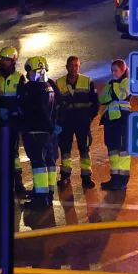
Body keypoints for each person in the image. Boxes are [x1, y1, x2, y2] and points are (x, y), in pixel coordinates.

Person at [55, 56, 99, 190]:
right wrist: (59, 120)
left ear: (79, 67)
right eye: (71, 65)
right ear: (66, 67)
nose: (74, 68)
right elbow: (55, 104)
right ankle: (65, 176)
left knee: (84, 149)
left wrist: (88, 118)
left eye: (76, 66)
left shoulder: (87, 81)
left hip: (82, 123)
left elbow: (95, 103)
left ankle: (86, 177)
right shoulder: (59, 83)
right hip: (66, 123)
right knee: (65, 150)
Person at [19, 55, 57, 205]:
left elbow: (31, 109)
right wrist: (51, 126)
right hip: (48, 132)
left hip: (35, 131)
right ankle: (48, 193)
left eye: (28, 71)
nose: (27, 74)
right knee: (48, 161)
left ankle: (41, 198)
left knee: (38, 164)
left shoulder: (32, 88)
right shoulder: (49, 86)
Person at [0, 46, 25, 194]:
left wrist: (13, 113)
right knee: (0, 151)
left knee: (14, 154)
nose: (3, 62)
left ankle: (18, 182)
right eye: (2, 59)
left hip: (13, 121)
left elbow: (22, 101)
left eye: (6, 59)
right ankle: (2, 183)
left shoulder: (19, 78)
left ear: (13, 61)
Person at [99, 58, 132, 190]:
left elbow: (120, 95)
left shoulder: (127, 82)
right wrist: (112, 87)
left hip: (122, 120)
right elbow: (102, 99)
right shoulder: (111, 83)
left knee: (123, 151)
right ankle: (114, 179)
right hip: (110, 120)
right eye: (112, 70)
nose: (113, 73)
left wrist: (113, 86)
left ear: (123, 70)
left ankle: (122, 181)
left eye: (116, 70)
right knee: (112, 151)